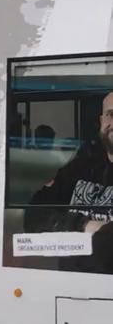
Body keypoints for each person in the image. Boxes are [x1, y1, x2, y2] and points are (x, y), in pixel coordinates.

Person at [23, 92, 113, 273]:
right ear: (101, 120)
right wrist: (84, 225)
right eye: (111, 114)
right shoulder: (80, 168)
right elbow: (34, 216)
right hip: (67, 286)